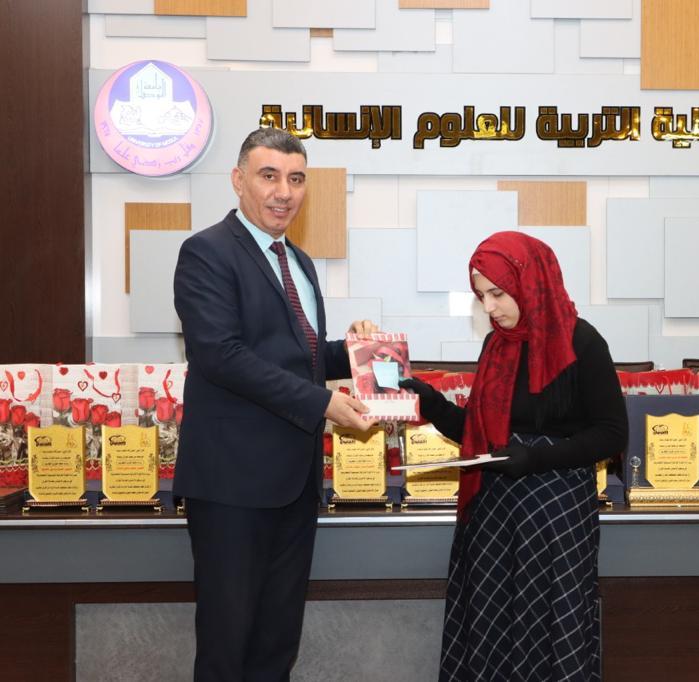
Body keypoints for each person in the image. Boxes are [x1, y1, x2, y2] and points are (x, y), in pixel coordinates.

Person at [173, 127, 378, 681]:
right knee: (227, 645)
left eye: (296, 178)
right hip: (232, 487)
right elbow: (221, 356)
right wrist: (323, 404)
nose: (284, 192)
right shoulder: (207, 252)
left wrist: (357, 351)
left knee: (276, 642)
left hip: (294, 484)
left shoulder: (300, 262)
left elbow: (299, 356)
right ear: (238, 180)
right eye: (269, 176)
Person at [400, 231, 628, 681]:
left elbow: (611, 433)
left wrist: (535, 459)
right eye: (481, 296)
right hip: (496, 514)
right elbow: (478, 435)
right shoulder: (497, 345)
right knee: (492, 631)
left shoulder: (582, 341)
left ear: (530, 282)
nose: (489, 307)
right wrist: (429, 402)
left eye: (498, 293)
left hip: (556, 516)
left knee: (550, 630)